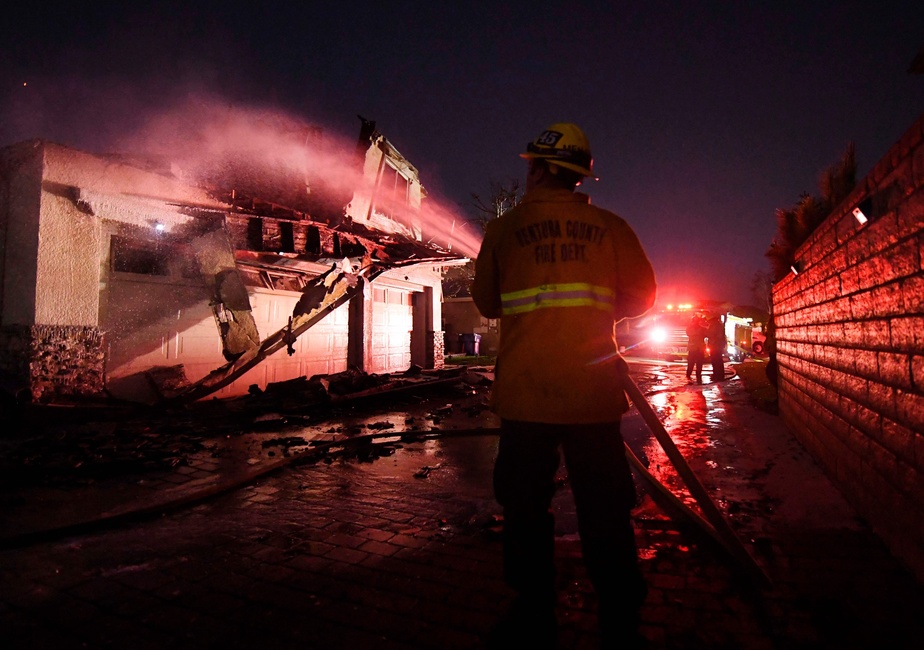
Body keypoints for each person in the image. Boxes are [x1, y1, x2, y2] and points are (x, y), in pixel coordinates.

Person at [471, 122, 657, 648]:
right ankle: (620, 620)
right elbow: (643, 294)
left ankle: (534, 614)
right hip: (593, 396)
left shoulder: (504, 231)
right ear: (578, 175)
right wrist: (595, 318)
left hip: (527, 396)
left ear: (540, 168)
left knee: (526, 509)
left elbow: (486, 303)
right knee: (605, 509)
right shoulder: (613, 227)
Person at [685, 313, 707, 380]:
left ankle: (691, 375)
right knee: (695, 363)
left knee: (695, 363)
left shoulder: (691, 328)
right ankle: (692, 375)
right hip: (697, 348)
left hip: (696, 348)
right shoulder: (700, 329)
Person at [706, 314, 727, 381]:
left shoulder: (715, 326)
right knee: (717, 361)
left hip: (715, 346)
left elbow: (711, 334)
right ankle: (717, 375)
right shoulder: (718, 325)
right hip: (717, 345)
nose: (708, 322)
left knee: (716, 361)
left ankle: (718, 376)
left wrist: (704, 331)